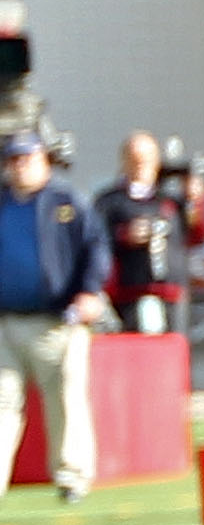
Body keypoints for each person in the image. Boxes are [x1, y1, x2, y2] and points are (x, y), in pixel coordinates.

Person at [0, 129, 109, 501]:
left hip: (58, 321)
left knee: (65, 398)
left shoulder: (66, 202)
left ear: (43, 159)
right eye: (13, 160)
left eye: (27, 158)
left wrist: (90, 291)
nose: (20, 166)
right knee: (2, 403)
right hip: (6, 321)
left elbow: (95, 247)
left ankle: (72, 475)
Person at [94, 131, 188, 334]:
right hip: (130, 289)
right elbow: (95, 240)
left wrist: (197, 199)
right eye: (135, 160)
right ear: (124, 162)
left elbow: (196, 233)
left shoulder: (171, 201)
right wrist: (125, 235)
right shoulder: (109, 201)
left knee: (173, 350)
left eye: (146, 161)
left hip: (171, 289)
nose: (141, 166)